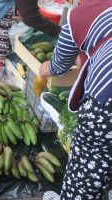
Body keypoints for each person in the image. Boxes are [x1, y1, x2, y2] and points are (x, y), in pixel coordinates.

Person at [39, 1, 112, 199]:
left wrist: (47, 67)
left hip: (107, 101)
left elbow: (60, 64)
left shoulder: (79, 14)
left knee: (88, 165)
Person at [0, 0, 61, 73]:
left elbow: (29, 16)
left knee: (3, 31)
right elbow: (30, 17)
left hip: (3, 5)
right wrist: (61, 32)